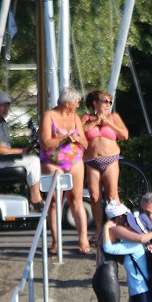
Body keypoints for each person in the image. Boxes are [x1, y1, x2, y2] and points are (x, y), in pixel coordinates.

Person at [40, 88, 90, 254]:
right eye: (76, 102)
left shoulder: (75, 117)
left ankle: (83, 239)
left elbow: (85, 144)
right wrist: (64, 138)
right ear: (67, 104)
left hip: (74, 162)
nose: (78, 105)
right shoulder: (48, 116)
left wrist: (77, 138)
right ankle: (56, 241)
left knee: (76, 200)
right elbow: (46, 143)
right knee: (54, 202)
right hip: (53, 162)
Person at [0, 91, 43, 206]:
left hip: (1, 160)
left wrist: (25, 151)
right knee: (33, 161)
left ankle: (34, 199)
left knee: (32, 158)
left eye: (7, 105)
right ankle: (36, 199)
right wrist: (22, 151)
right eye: (2, 105)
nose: (5, 108)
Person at [82, 90, 129, 234]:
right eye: (105, 101)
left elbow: (124, 135)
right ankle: (98, 232)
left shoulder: (114, 117)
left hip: (110, 160)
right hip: (91, 161)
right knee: (95, 196)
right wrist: (95, 121)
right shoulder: (86, 117)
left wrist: (108, 123)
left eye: (110, 102)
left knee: (112, 195)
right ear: (95, 103)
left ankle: (118, 229)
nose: (108, 104)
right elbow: (79, 132)